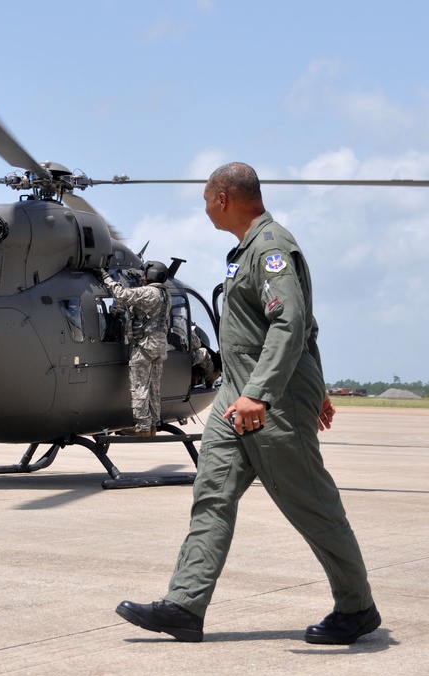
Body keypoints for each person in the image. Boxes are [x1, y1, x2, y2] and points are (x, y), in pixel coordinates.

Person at [115, 162, 379, 645]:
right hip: (235, 397)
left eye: (205, 200)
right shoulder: (244, 251)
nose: (205, 209)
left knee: (309, 503)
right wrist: (307, 385)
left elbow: (292, 323)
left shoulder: (272, 248)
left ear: (222, 199)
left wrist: (268, 392)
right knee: (211, 496)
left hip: (266, 401)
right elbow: (297, 329)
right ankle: (184, 606)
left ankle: (357, 607)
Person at [96, 261, 171, 438]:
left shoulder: (148, 293)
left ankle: (142, 427)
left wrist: (105, 277)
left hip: (144, 346)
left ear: (151, 275)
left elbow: (121, 294)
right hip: (159, 346)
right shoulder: (165, 295)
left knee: (140, 386)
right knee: (154, 387)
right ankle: (153, 424)